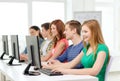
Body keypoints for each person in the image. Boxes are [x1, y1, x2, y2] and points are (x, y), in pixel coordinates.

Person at [44, 19, 110, 81]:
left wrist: (66, 71)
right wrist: (50, 67)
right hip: (85, 79)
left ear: (94, 32)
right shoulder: (87, 48)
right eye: (82, 32)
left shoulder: (102, 48)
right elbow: (70, 64)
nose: (83, 34)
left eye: (86, 32)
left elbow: (94, 71)